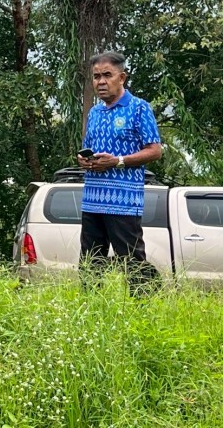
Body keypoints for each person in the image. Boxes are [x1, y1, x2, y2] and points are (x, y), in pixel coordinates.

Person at [77, 51, 163, 294]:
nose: (101, 82)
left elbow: (155, 151)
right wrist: (83, 160)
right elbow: (88, 147)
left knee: (132, 263)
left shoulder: (139, 108)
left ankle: (142, 309)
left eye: (107, 75)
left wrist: (118, 161)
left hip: (123, 202)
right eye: (96, 77)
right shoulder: (95, 113)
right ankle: (91, 308)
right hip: (92, 200)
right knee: (90, 264)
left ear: (122, 77)